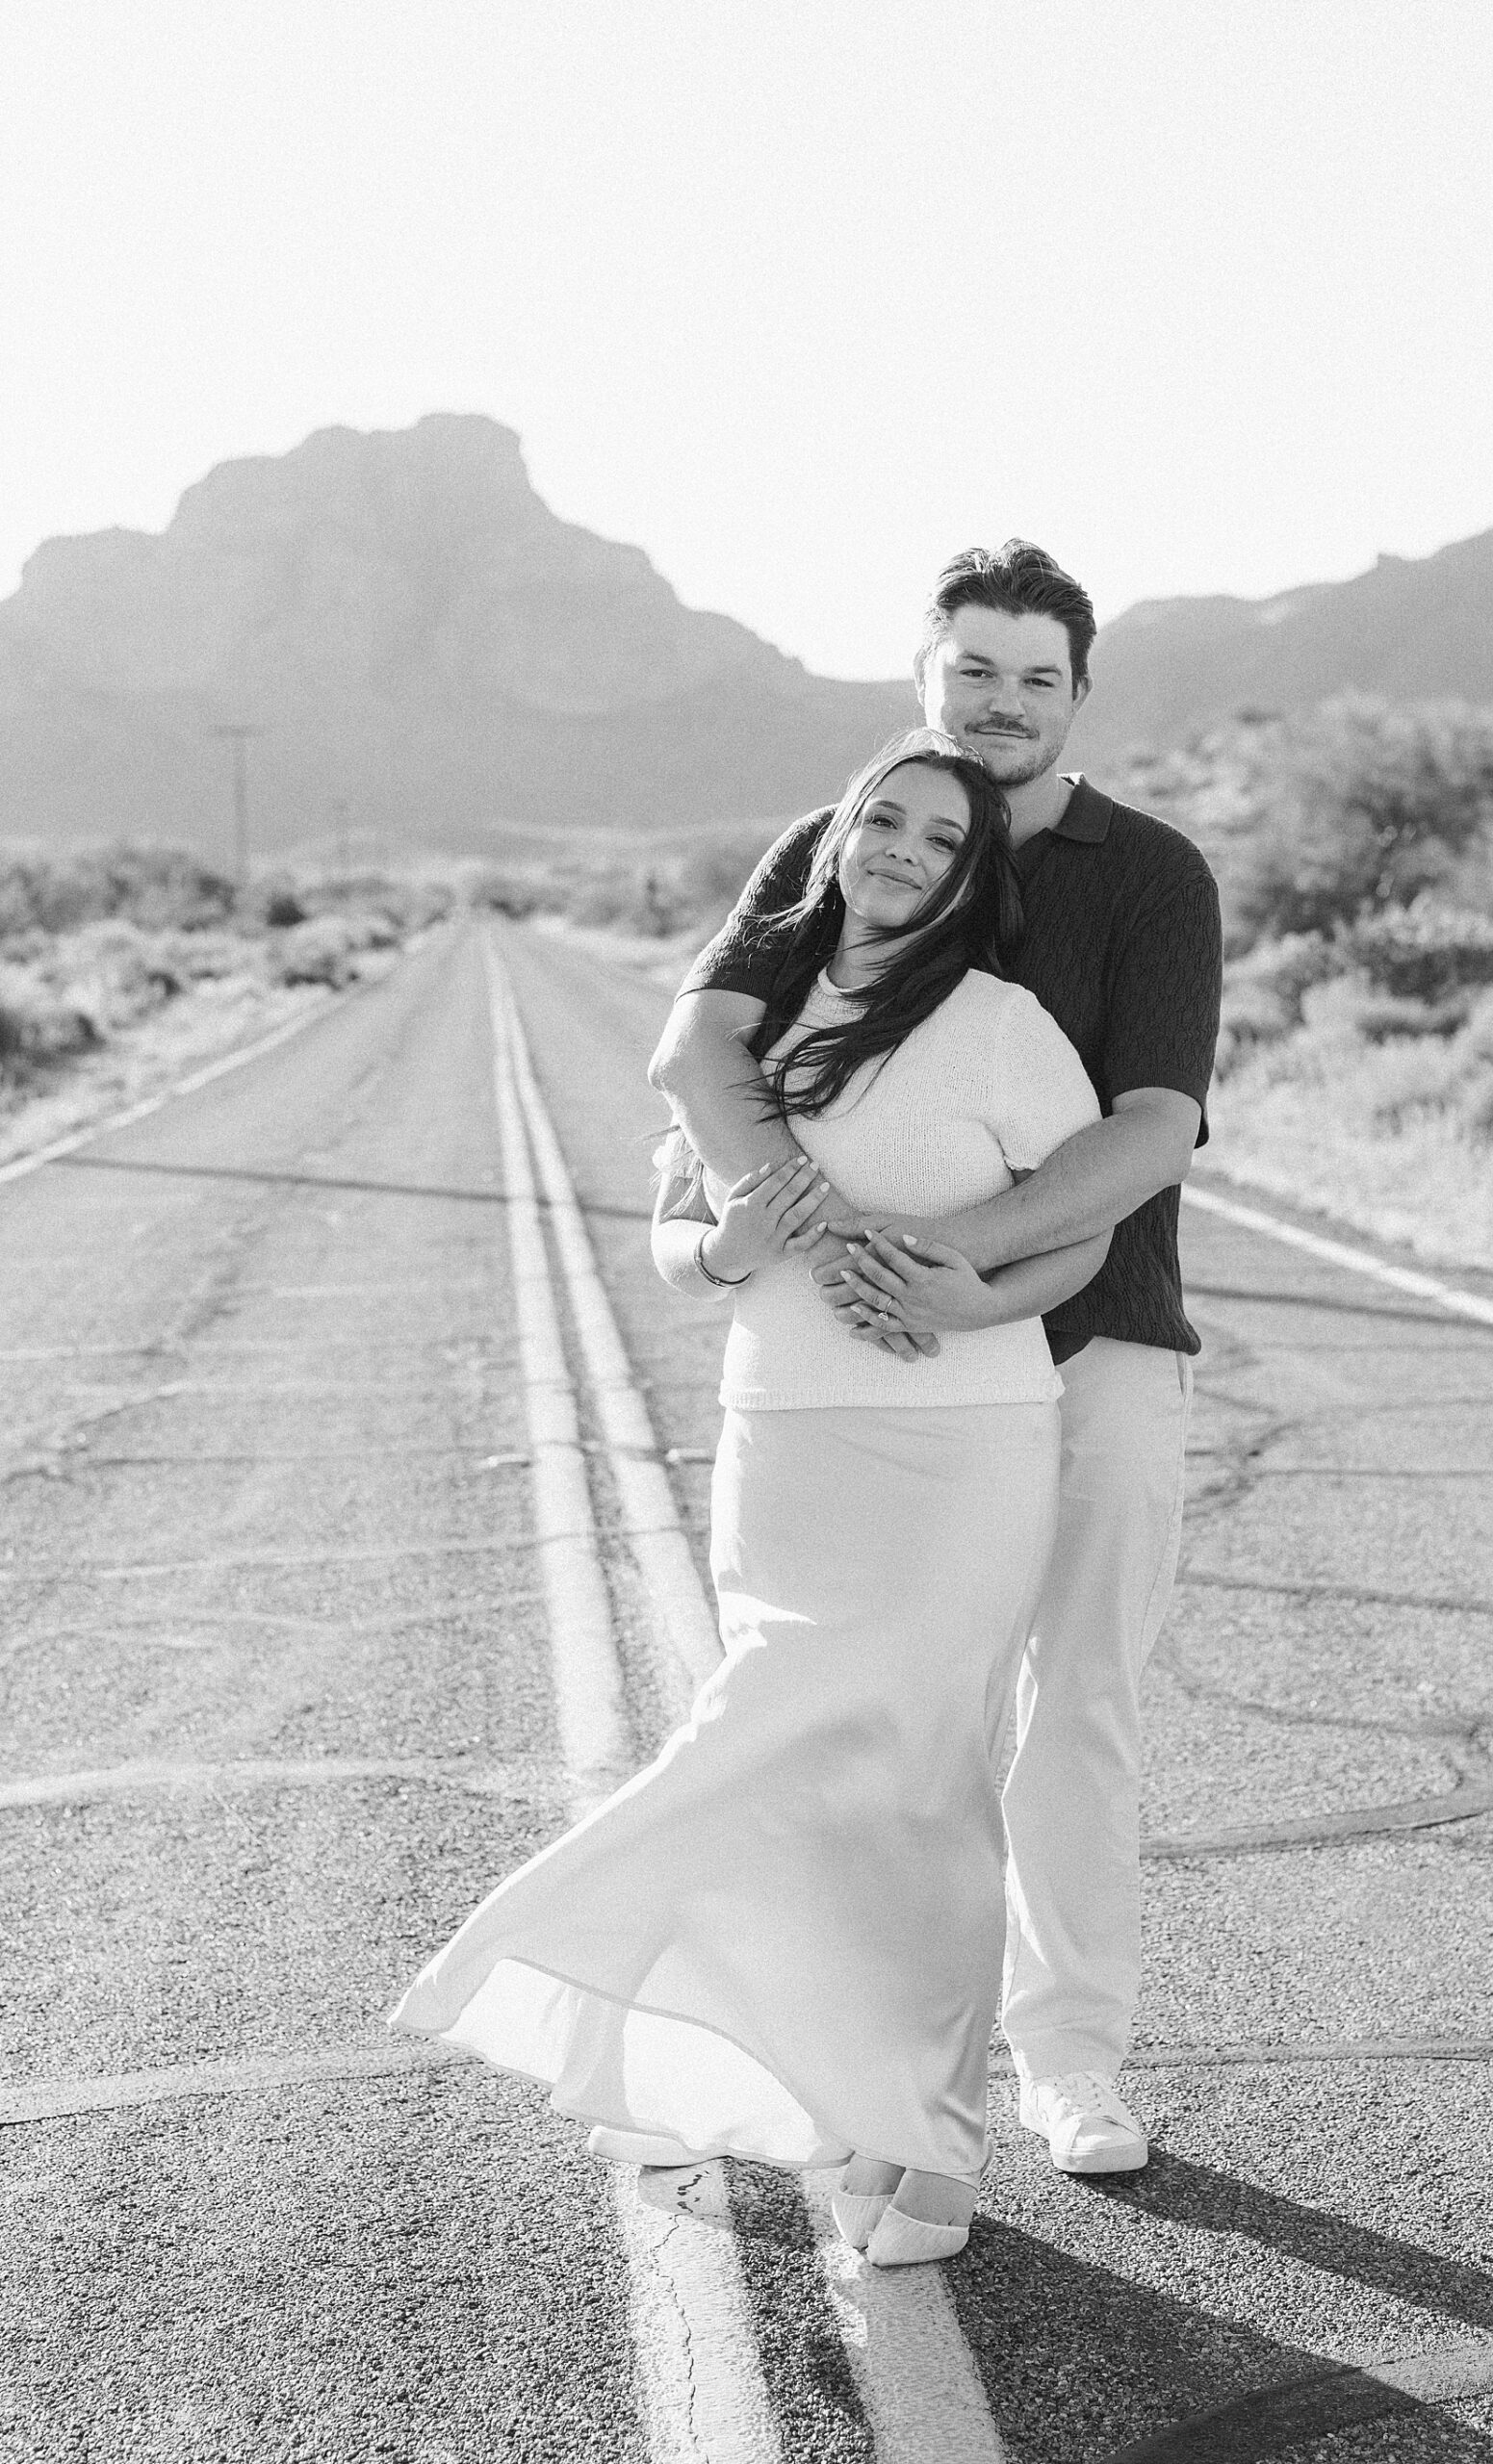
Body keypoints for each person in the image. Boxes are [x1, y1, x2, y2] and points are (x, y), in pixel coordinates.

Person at [390, 730, 1107, 2266]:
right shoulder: (752, 1030)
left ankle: (936, 2153)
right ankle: (747, 2065)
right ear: (841, 836)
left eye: (942, 838)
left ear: (973, 876)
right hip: (784, 1437)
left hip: (967, 1445)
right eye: (885, 821)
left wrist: (971, 1304)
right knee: (777, 1766)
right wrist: (730, 1249)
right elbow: (672, 1235)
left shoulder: (1003, 1025)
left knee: (924, 1788)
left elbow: (1084, 1244)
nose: (906, 849)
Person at [650, 543, 1223, 2176]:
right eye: (975, 671)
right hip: (884, 1371)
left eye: (1037, 678)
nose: (1002, 705)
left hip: (1096, 1339)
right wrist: (802, 1217)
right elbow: (700, 1043)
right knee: (895, 1722)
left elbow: (1155, 1128)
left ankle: (1073, 2062)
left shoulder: (1152, 874)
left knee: (1080, 1706)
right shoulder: (854, 832)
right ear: (926, 678)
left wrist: (957, 1263)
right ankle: (864, 2063)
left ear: (1079, 698)